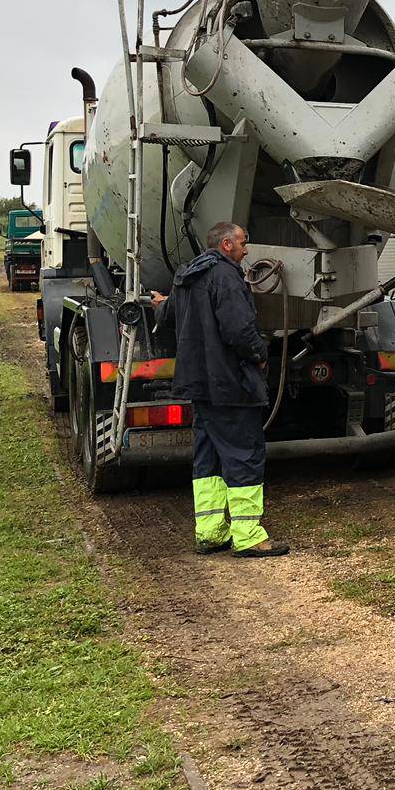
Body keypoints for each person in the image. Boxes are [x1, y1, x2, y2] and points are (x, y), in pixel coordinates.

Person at [151, 222, 288, 559]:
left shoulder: (187, 276)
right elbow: (238, 330)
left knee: (208, 458)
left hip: (200, 385)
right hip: (229, 383)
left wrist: (160, 303)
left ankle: (211, 533)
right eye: (243, 242)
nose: (247, 249)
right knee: (244, 453)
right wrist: (259, 354)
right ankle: (248, 535)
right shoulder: (226, 277)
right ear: (226, 245)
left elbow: (168, 313)